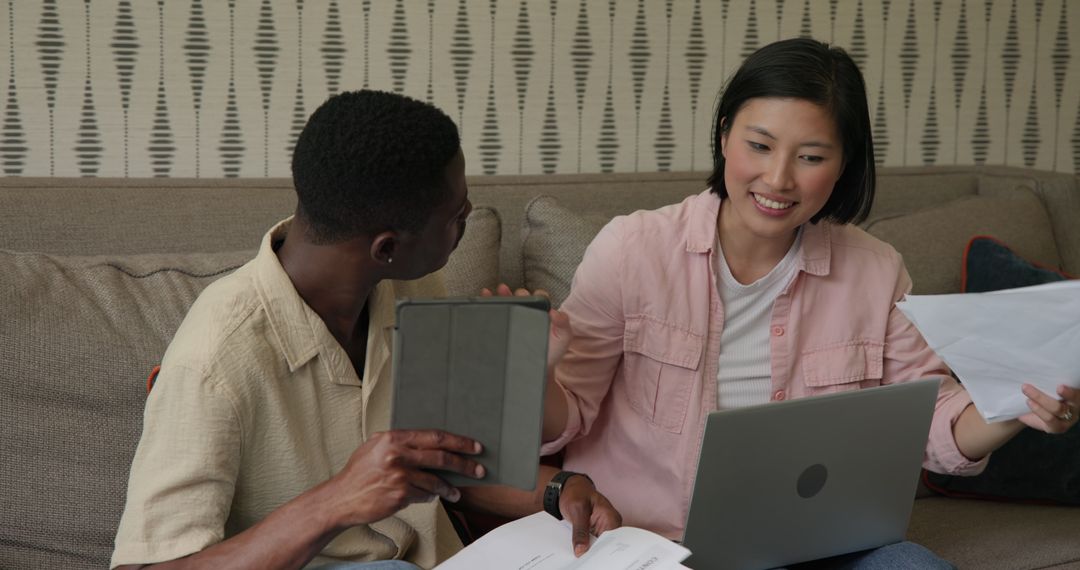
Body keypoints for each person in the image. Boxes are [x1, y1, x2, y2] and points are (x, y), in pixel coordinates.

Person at [536, 37, 1079, 568]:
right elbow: (567, 420)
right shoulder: (632, 250)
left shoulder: (875, 269)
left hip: (821, 545)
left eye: (811, 156)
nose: (778, 178)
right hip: (658, 548)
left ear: (843, 163)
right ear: (725, 136)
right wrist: (543, 370)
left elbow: (933, 422)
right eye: (760, 145)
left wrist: (1017, 404)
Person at [111, 90, 620, 570]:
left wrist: (558, 488)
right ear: (386, 246)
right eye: (456, 216)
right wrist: (335, 501)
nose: (464, 225)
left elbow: (443, 468)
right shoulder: (213, 358)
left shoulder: (408, 291)